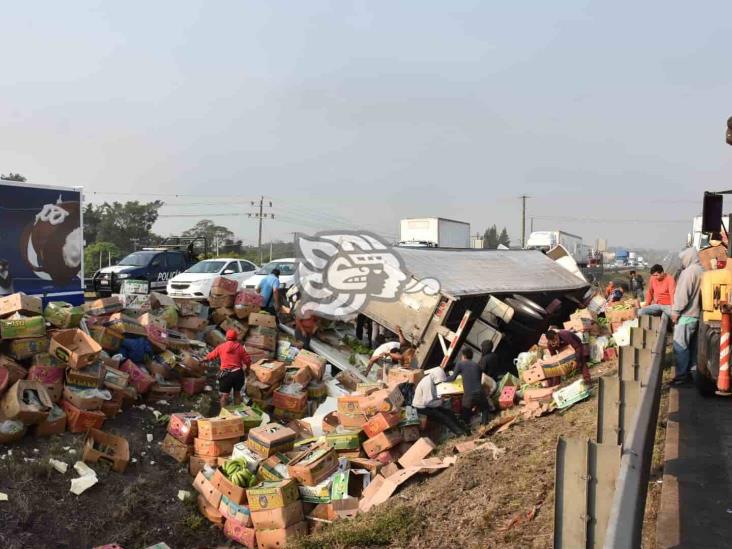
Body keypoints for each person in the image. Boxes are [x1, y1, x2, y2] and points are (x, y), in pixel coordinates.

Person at [670, 248, 703, 386]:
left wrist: (676, 312)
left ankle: (682, 377)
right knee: (692, 348)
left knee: (680, 347)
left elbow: (683, 294)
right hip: (697, 315)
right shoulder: (702, 270)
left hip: (685, 315)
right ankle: (691, 374)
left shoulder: (688, 273)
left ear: (688, 258)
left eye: (683, 259)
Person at [443, 348, 492, 427]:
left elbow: (453, 378)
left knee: (465, 412)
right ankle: (484, 425)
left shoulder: (460, 364)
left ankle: (466, 429)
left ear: (463, 356)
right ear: (471, 356)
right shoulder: (477, 365)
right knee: (485, 408)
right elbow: (477, 380)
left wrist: (443, 380)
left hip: (468, 395)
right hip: (480, 392)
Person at [412, 367, 468, 436]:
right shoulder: (427, 383)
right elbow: (427, 402)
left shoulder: (430, 380)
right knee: (444, 417)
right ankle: (460, 433)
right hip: (421, 407)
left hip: (429, 403)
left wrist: (441, 399)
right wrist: (441, 401)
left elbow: (433, 396)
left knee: (449, 412)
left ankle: (463, 428)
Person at [205, 329, 252, 408]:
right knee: (237, 394)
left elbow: (210, 356)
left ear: (226, 337)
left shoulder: (221, 347)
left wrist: (203, 360)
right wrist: (247, 369)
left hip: (225, 374)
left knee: (224, 395)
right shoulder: (240, 347)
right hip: (238, 374)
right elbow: (248, 360)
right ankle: (237, 413)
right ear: (236, 338)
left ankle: (223, 414)